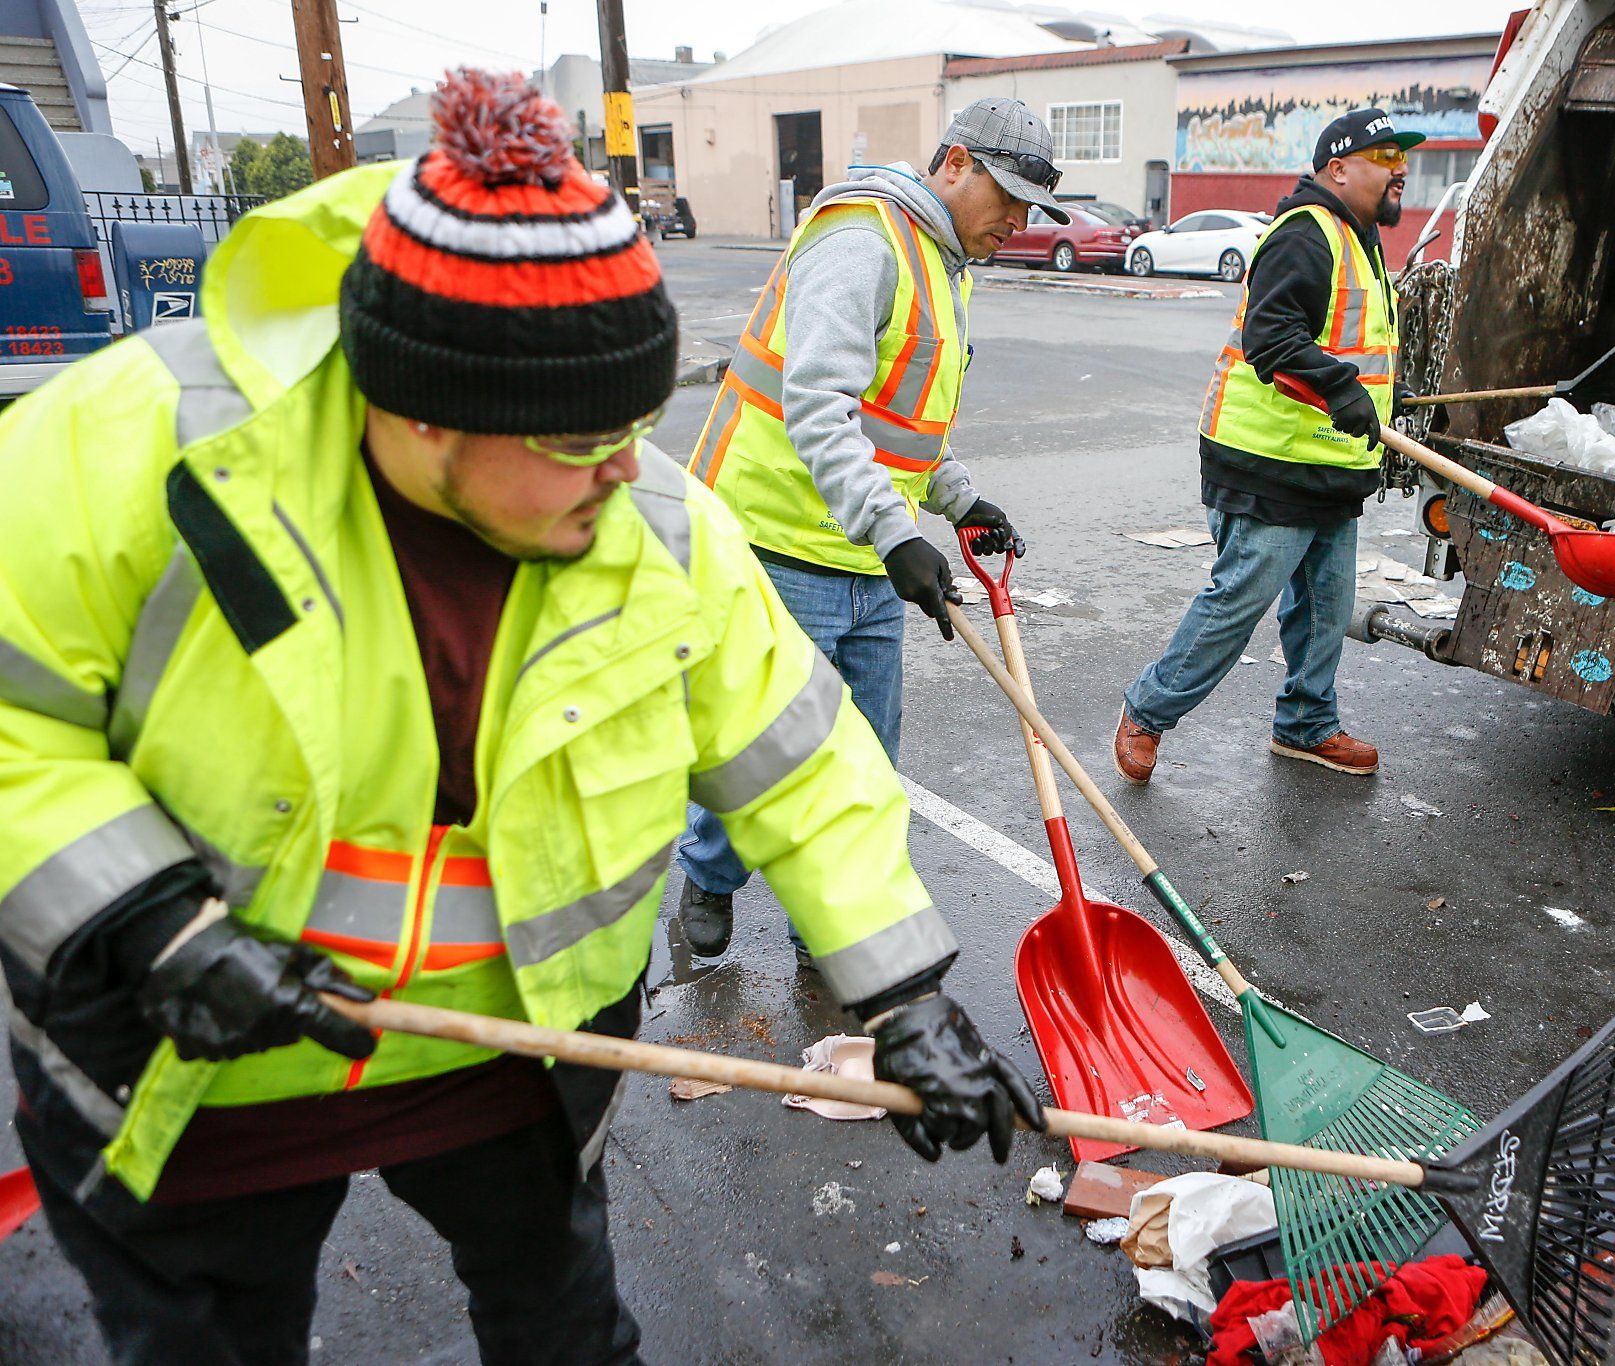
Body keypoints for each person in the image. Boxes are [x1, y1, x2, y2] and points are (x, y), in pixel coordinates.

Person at [0, 70, 1040, 1366]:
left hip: (514, 1064)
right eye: (584, 433)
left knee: (566, 1334)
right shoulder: (128, 454)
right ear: (424, 402)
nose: (627, 467)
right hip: (202, 1065)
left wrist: (907, 992)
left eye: (638, 422)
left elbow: (802, 759)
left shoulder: (654, 524)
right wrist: (141, 918)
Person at [677, 97, 1061, 961]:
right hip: (779, 541)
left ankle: (832, 915)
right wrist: (898, 534)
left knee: (865, 760)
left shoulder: (944, 260)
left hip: (863, 550)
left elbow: (902, 416)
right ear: (954, 162)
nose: (1018, 221)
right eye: (1006, 195)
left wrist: (960, 500)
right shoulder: (863, 240)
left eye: (1030, 207)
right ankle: (708, 871)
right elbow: (818, 408)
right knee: (765, 748)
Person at [1113, 108, 1423, 785]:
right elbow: (1273, 339)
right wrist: (1344, 394)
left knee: (1326, 607)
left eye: (1404, 156)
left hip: (1331, 465)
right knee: (1237, 604)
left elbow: (1355, 349)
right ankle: (1148, 710)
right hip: (1268, 461)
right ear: (1338, 168)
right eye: (1385, 156)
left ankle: (1306, 724)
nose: (1401, 167)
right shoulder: (1305, 234)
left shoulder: (1359, 238)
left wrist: (1380, 403)